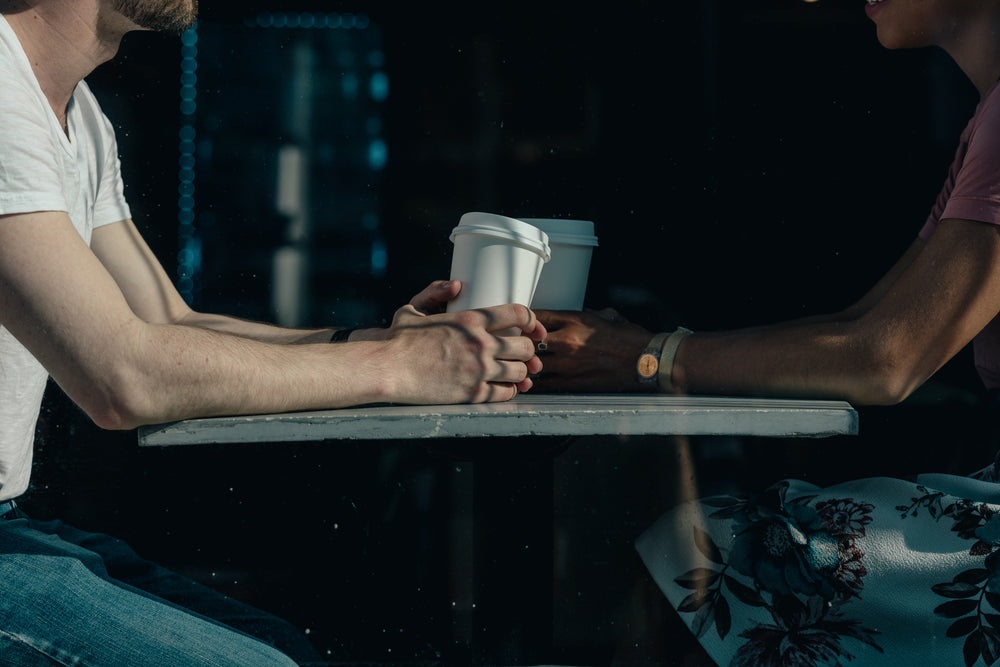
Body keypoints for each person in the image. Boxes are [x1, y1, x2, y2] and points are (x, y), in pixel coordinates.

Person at [0, 0, 545, 664]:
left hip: (12, 529)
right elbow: (123, 374)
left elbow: (167, 321)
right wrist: (400, 367)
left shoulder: (78, 116)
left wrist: (384, 343)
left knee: (284, 649)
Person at [534, 1, 1000, 665]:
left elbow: (887, 359)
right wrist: (645, 351)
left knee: (701, 570)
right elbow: (861, 323)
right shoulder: (986, 120)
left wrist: (645, 357)